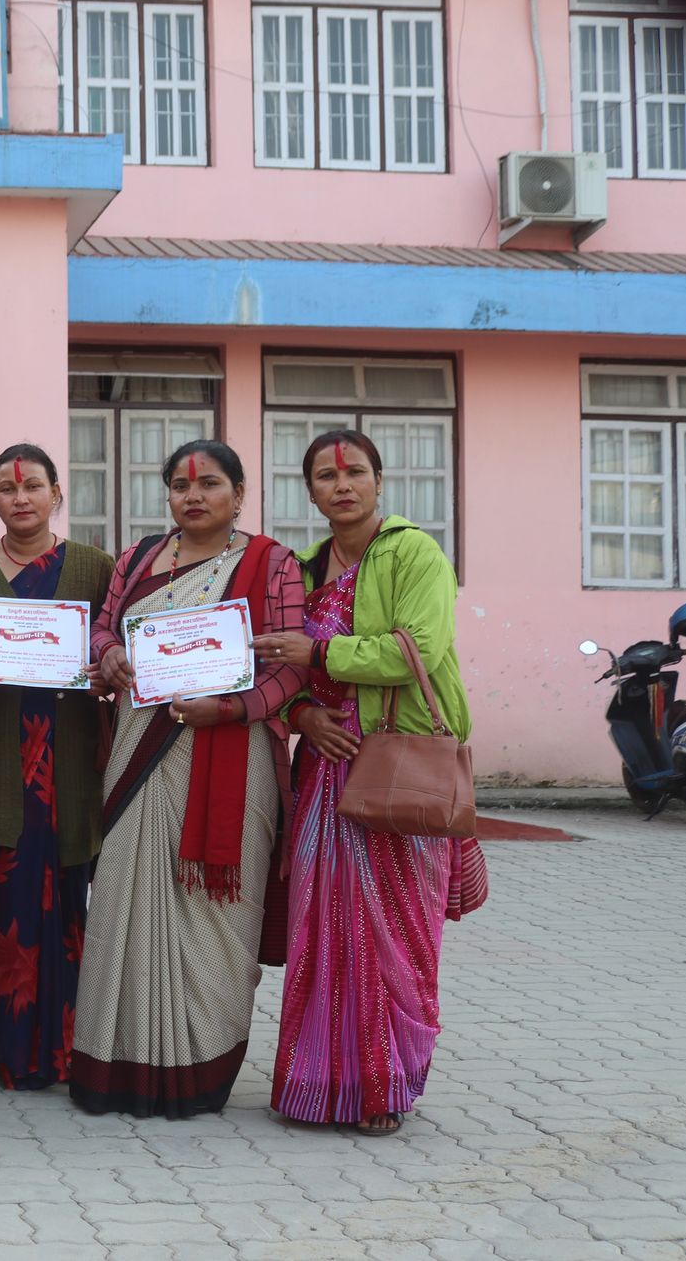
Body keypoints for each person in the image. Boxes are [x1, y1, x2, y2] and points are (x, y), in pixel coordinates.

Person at [71, 440, 308, 1119]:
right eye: (179, 485)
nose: (192, 496)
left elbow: (291, 666)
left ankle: (199, 1070)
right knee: (125, 893)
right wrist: (110, 655)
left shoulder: (272, 564)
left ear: (239, 493)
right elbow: (103, 631)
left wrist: (232, 708)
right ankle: (114, 1068)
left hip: (231, 751)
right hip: (140, 743)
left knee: (214, 911)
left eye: (208, 485)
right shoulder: (140, 558)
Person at [255, 429, 479, 1137]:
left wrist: (320, 650)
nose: (341, 484)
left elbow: (418, 648)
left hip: (398, 762)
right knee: (323, 931)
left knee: (398, 935)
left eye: (354, 472)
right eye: (325, 475)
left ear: (379, 482)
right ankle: (316, 1084)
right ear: (311, 490)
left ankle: (385, 1085)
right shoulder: (306, 566)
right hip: (326, 769)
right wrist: (305, 712)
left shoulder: (413, 551)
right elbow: (277, 670)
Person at [0, 444, 114, 1091]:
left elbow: (114, 641)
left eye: (33, 488)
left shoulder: (95, 568)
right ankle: (2, 1039)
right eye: (7, 490)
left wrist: (107, 667)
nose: (20, 499)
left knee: (67, 891)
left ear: (56, 494)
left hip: (68, 756)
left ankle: (64, 1041)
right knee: (5, 895)